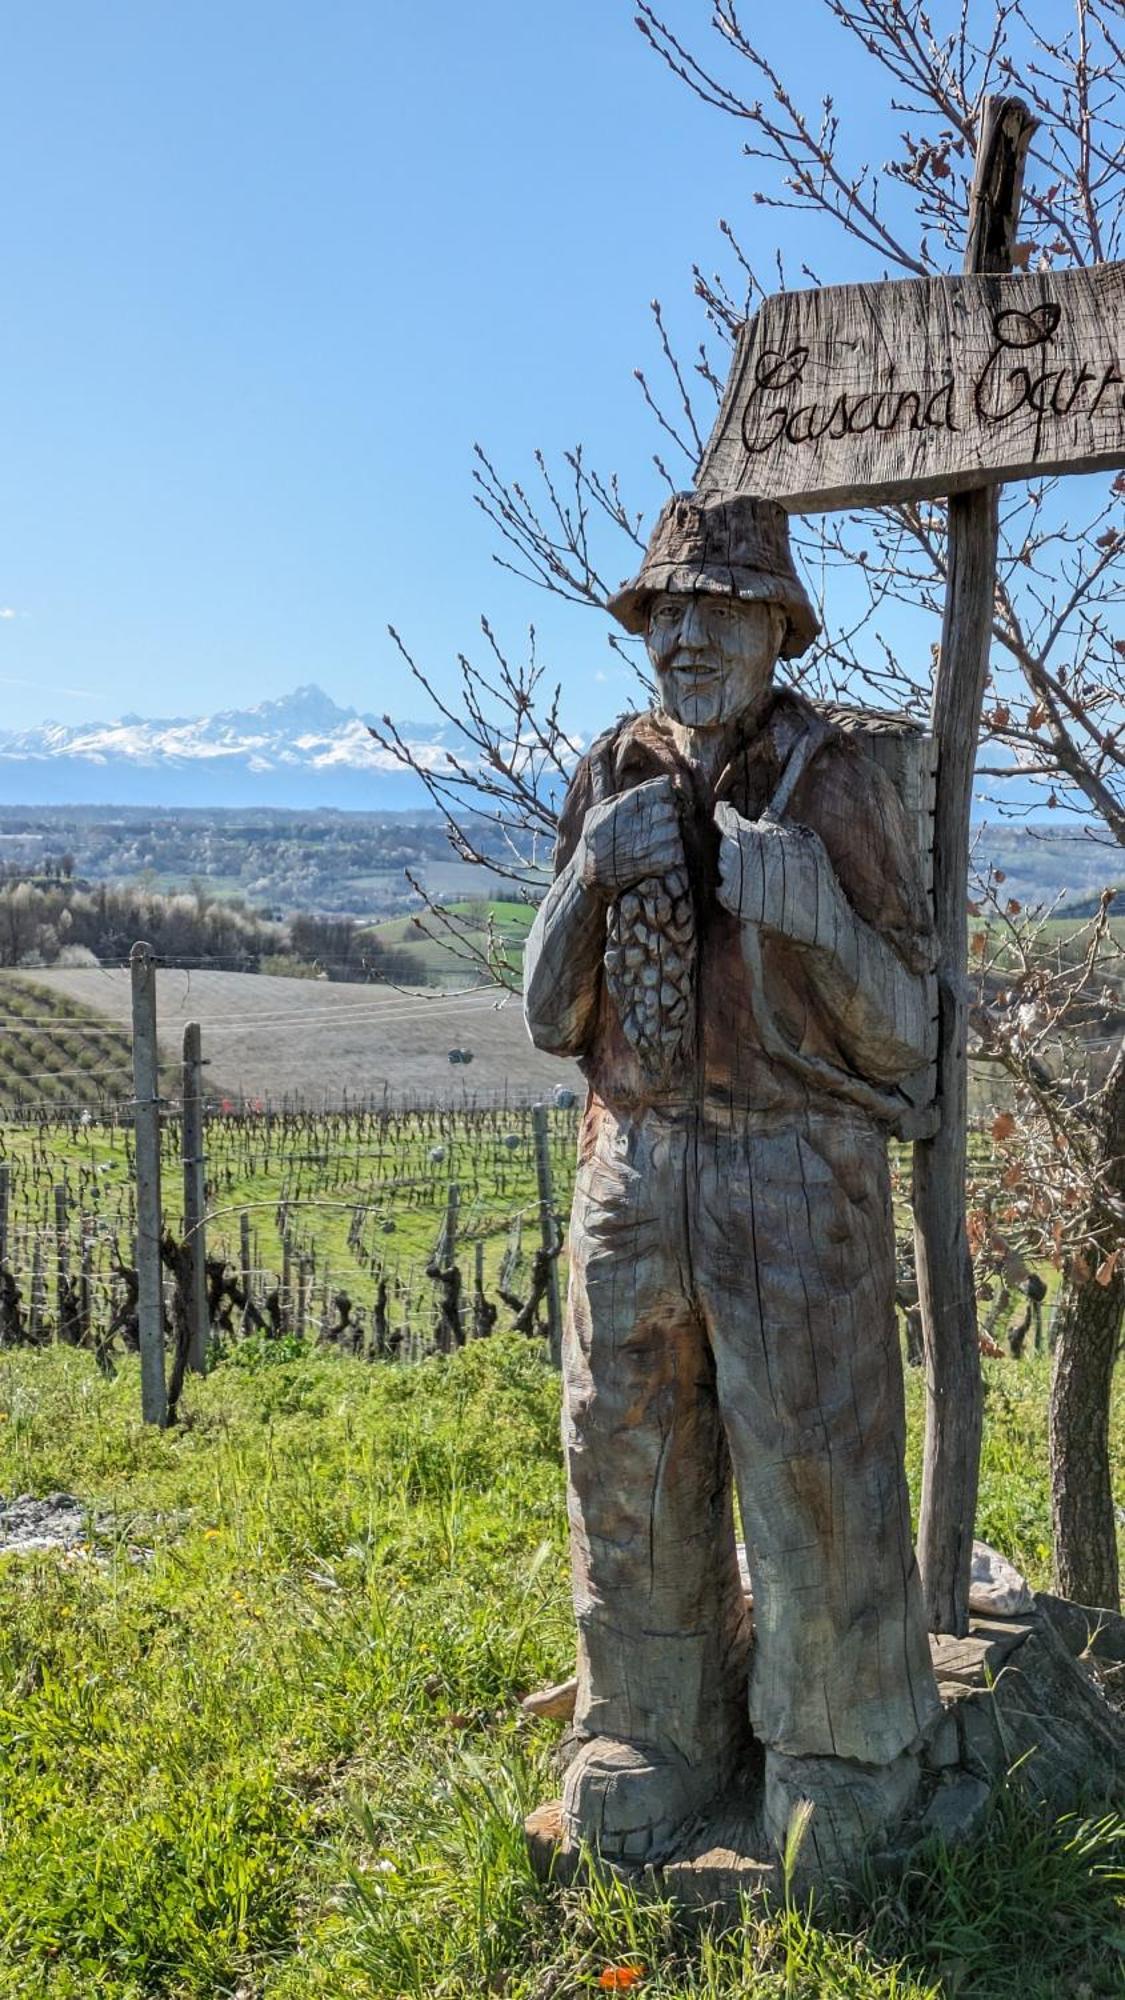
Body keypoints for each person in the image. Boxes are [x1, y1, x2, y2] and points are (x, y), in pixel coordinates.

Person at [523, 492, 941, 1873]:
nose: (685, 637)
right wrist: (587, 874)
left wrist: (816, 913)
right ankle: (649, 1722)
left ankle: (842, 1741)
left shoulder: (838, 777)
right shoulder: (612, 768)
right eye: (664, 613)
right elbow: (545, 1013)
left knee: (813, 1459)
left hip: (789, 1169)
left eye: (715, 609)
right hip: (632, 1165)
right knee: (623, 1449)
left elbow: (905, 1032)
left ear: (776, 625)